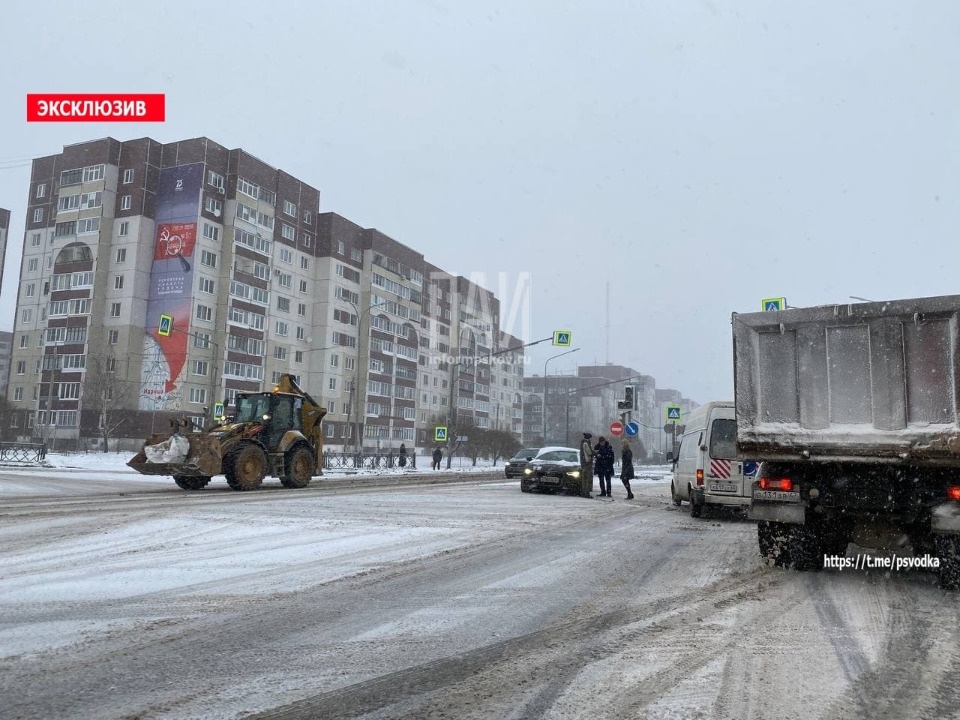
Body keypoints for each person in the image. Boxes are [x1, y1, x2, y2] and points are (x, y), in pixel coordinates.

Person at [579, 432, 594, 498]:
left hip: (583, 462)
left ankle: (583, 492)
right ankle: (586, 492)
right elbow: (589, 452)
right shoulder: (586, 443)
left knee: (584, 478)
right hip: (587, 462)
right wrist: (594, 453)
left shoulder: (582, 442)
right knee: (587, 478)